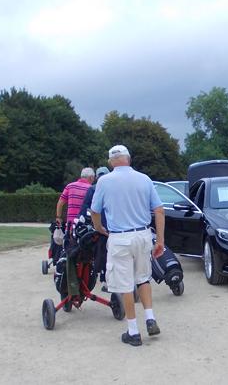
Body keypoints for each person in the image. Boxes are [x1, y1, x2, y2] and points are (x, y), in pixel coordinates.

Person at [90, 145, 165, 347]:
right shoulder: (144, 179)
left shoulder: (104, 182)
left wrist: (99, 228)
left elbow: (94, 211)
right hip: (142, 235)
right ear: (128, 159)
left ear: (111, 162)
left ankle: (133, 331)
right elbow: (159, 210)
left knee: (125, 285)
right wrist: (160, 240)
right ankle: (150, 317)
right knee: (143, 278)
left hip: (120, 237)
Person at [78, 166, 110, 291]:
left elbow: (85, 207)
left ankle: (103, 278)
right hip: (114, 226)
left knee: (101, 253)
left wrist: (80, 221)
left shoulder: (93, 189)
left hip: (98, 226)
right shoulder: (113, 188)